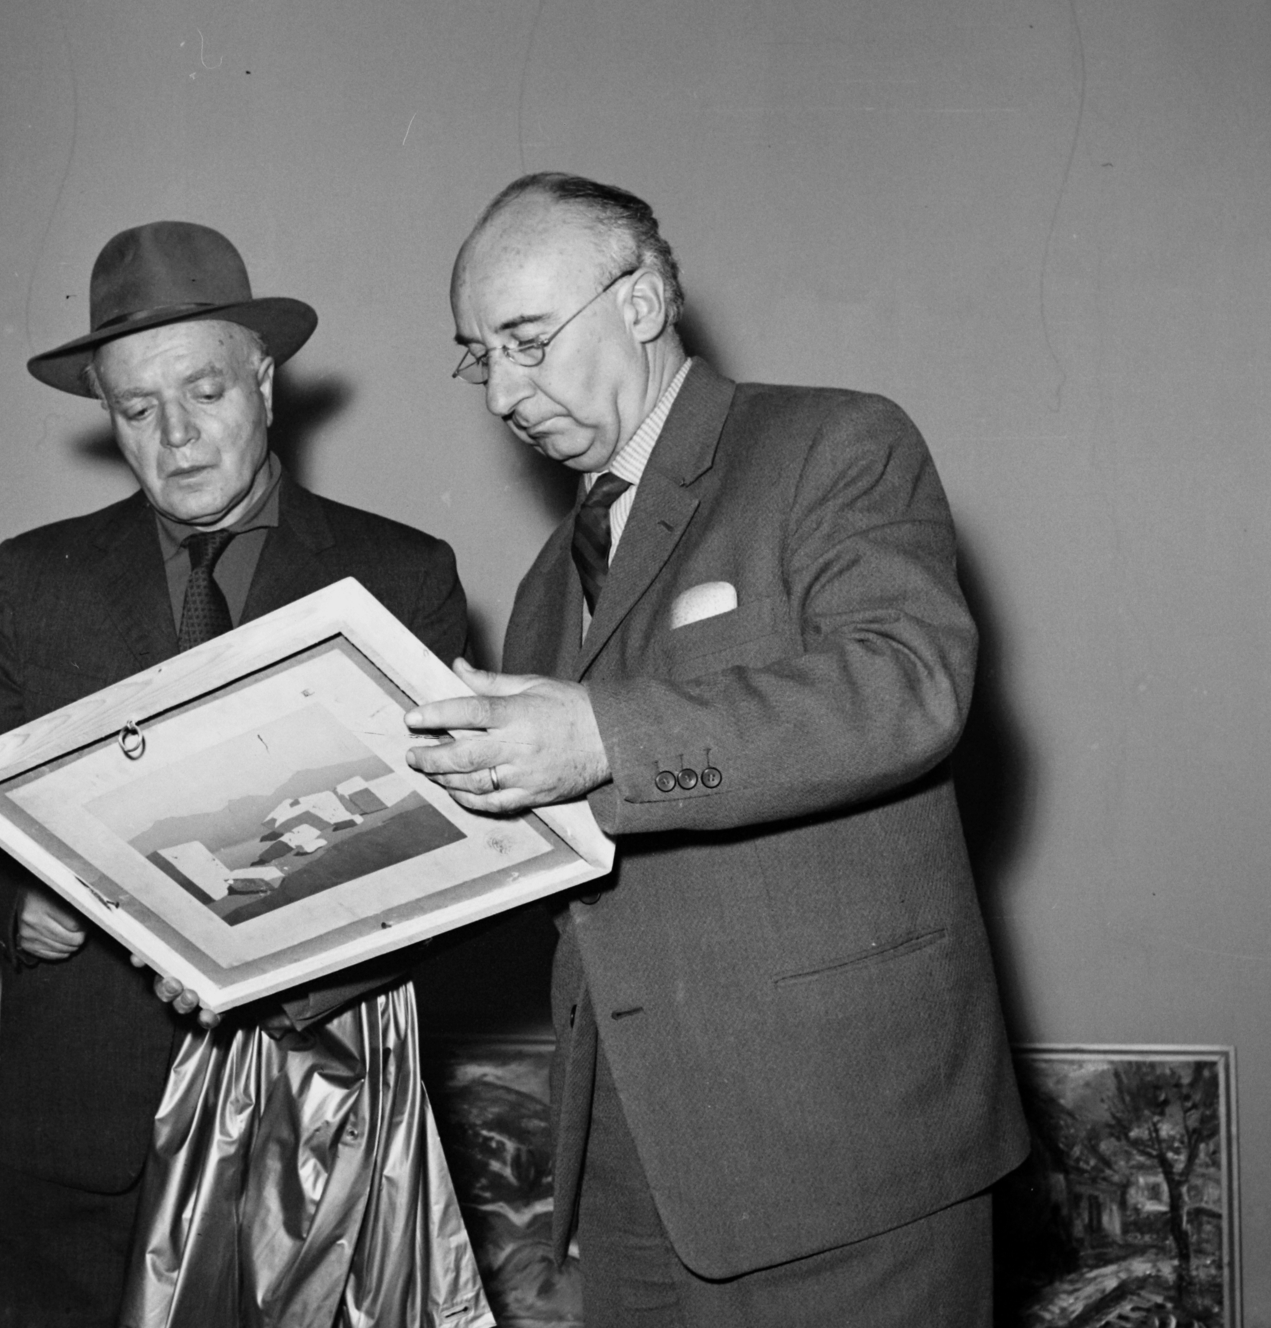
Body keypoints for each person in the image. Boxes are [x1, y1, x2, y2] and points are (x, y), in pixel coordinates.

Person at [404, 173, 1029, 1326]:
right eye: (477, 356)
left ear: (639, 300)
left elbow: (906, 683)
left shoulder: (831, 442)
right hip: (635, 1168)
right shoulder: (549, 580)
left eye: (526, 340)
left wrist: (599, 736)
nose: (501, 391)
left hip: (850, 1147)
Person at [0, 221, 486, 1328]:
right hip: (80, 1135)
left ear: (265, 382)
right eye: (135, 410)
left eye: (205, 392)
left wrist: (285, 971)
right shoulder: (38, 578)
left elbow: (443, 850)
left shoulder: (403, 575)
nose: (175, 437)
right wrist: (8, 892)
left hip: (303, 1142)